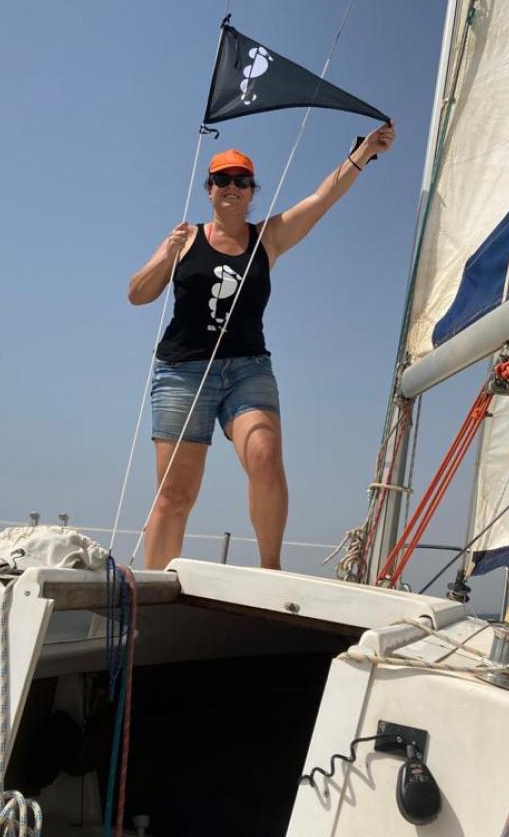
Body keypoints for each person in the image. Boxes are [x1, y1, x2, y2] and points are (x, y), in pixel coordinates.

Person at [128, 122, 396, 570]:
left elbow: (321, 199)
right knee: (175, 494)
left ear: (252, 191)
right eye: (222, 179)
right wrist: (166, 255)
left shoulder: (267, 239)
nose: (231, 187)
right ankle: (153, 593)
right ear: (208, 189)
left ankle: (270, 573)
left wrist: (362, 154)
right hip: (181, 371)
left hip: (246, 371)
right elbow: (138, 294)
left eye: (242, 180)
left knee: (265, 455)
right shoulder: (185, 237)